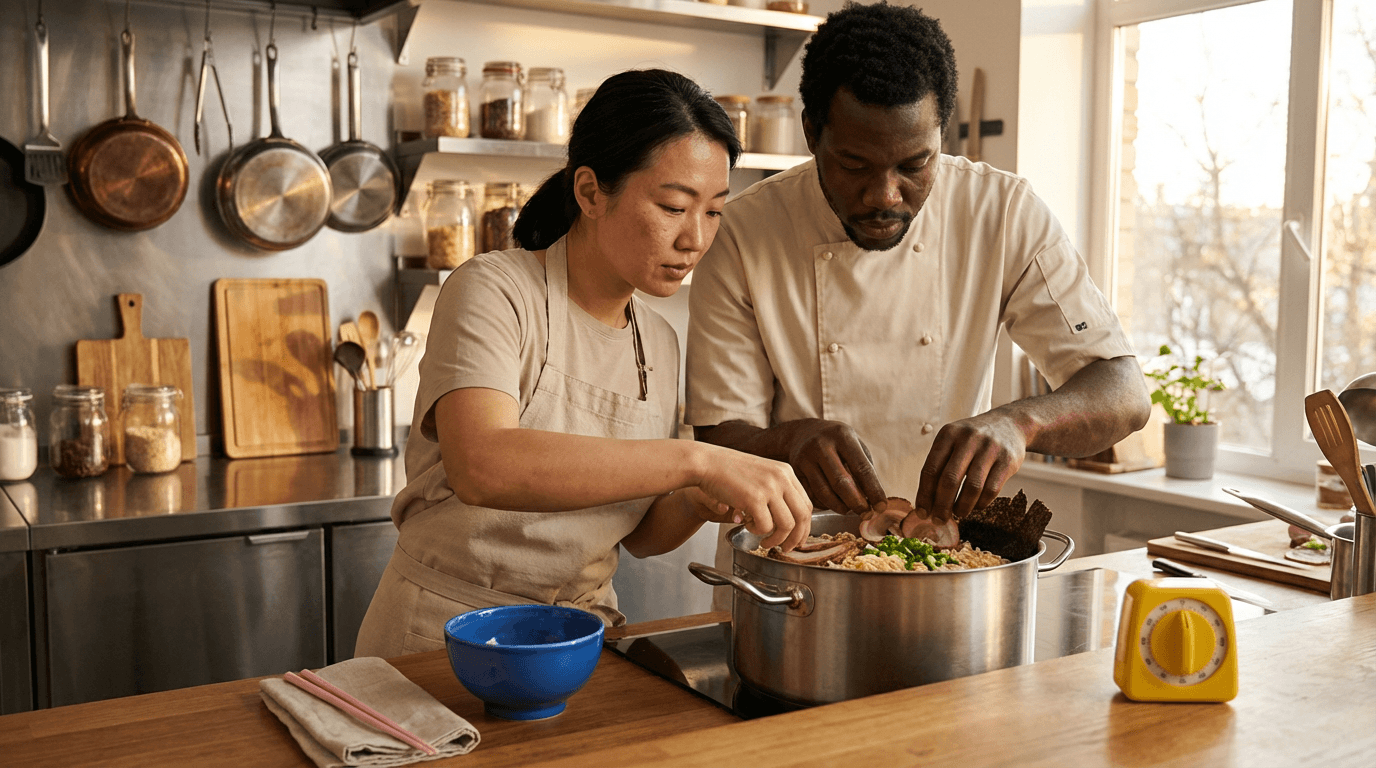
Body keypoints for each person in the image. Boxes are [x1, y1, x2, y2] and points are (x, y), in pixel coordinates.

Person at [355, 69, 812, 659]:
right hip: (446, 634)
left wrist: (697, 500)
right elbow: (483, 465)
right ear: (591, 191)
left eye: (715, 211)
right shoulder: (494, 290)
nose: (695, 239)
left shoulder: (659, 341)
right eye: (674, 206)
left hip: (582, 638)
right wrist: (696, 458)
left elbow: (639, 534)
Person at [685, 3, 1151, 541]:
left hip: (945, 562)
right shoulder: (745, 230)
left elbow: (1123, 394)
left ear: (941, 135)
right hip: (791, 560)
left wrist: (1020, 423)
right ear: (811, 132)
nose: (885, 196)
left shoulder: (1000, 211)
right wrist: (789, 441)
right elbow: (716, 436)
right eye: (855, 165)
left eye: (914, 165)